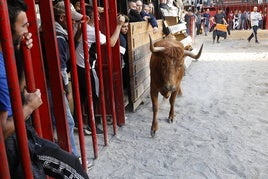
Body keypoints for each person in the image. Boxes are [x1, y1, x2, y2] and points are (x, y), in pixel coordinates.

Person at [0, 0, 89, 178]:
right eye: (24, 25)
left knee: (71, 162)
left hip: (22, 134)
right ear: (6, 29)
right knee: (71, 169)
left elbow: (19, 90)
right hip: (12, 146)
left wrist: (20, 49)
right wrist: (29, 108)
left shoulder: (6, 55)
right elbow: (2, 131)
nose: (28, 31)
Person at [75, 5, 125, 134]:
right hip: (87, 68)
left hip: (78, 65)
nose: (98, 17)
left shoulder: (84, 27)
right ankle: (91, 126)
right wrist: (119, 25)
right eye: (96, 15)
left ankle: (78, 122)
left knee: (81, 96)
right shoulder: (93, 31)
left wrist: (98, 9)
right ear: (91, 17)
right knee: (94, 96)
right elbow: (111, 43)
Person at [53, 1, 82, 157]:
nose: (74, 22)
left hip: (51, 84)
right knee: (67, 122)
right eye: (72, 19)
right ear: (63, 18)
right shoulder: (58, 37)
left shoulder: (57, 33)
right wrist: (67, 89)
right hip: (54, 85)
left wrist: (77, 32)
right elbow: (61, 68)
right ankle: (73, 157)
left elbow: (68, 53)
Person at [119, 15, 130, 95]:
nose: (126, 28)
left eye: (127, 26)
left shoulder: (123, 37)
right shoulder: (122, 40)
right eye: (124, 26)